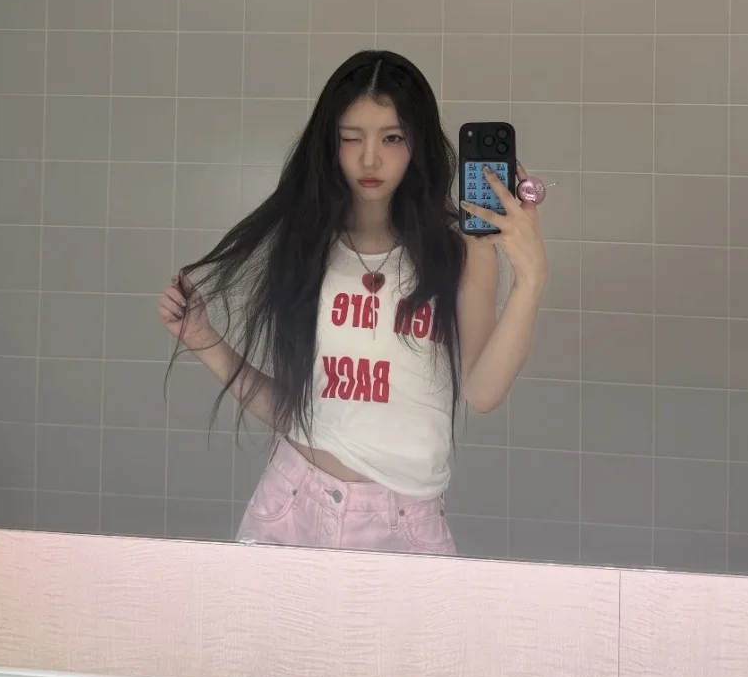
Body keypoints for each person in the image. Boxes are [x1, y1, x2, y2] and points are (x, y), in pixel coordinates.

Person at [158, 49, 548, 555]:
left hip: (403, 524)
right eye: (351, 138)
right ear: (330, 144)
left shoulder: (459, 251)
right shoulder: (306, 246)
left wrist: (531, 279)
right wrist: (205, 341)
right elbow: (295, 410)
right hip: (291, 504)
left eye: (392, 138)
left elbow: (482, 391)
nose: (369, 159)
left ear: (418, 145)